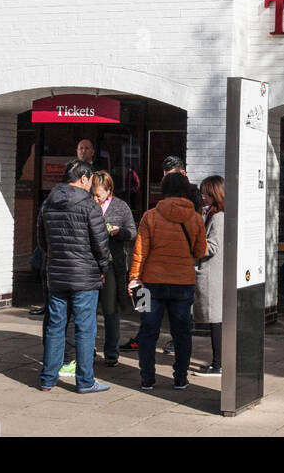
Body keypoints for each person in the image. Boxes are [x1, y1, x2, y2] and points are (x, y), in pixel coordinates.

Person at [37, 159, 111, 394]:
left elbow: (42, 240)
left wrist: (56, 258)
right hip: (85, 276)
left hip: (57, 273)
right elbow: (101, 245)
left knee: (55, 326)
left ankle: (48, 379)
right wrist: (104, 267)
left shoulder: (48, 203)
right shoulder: (89, 207)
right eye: (90, 180)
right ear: (83, 178)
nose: (91, 185)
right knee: (84, 328)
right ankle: (85, 381)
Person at [129, 172, 207, 391]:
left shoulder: (150, 216)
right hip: (183, 283)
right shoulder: (196, 218)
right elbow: (200, 250)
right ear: (185, 190)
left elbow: (140, 252)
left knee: (148, 330)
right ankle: (180, 378)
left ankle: (147, 378)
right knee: (182, 332)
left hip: (151, 284)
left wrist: (134, 278)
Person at [92, 171, 137, 367]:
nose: (95, 198)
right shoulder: (86, 205)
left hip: (111, 263)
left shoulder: (120, 206)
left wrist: (119, 232)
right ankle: (88, 349)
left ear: (109, 191)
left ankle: (111, 352)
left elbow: (132, 232)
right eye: (93, 194)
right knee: (88, 311)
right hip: (90, 263)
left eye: (99, 195)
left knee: (110, 310)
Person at [192, 176, 225, 377]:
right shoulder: (213, 213)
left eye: (206, 193)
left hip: (212, 273)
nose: (203, 197)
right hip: (212, 272)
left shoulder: (219, 217)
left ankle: (217, 363)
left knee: (216, 320)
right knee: (215, 319)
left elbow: (213, 246)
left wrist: (193, 245)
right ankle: (217, 362)